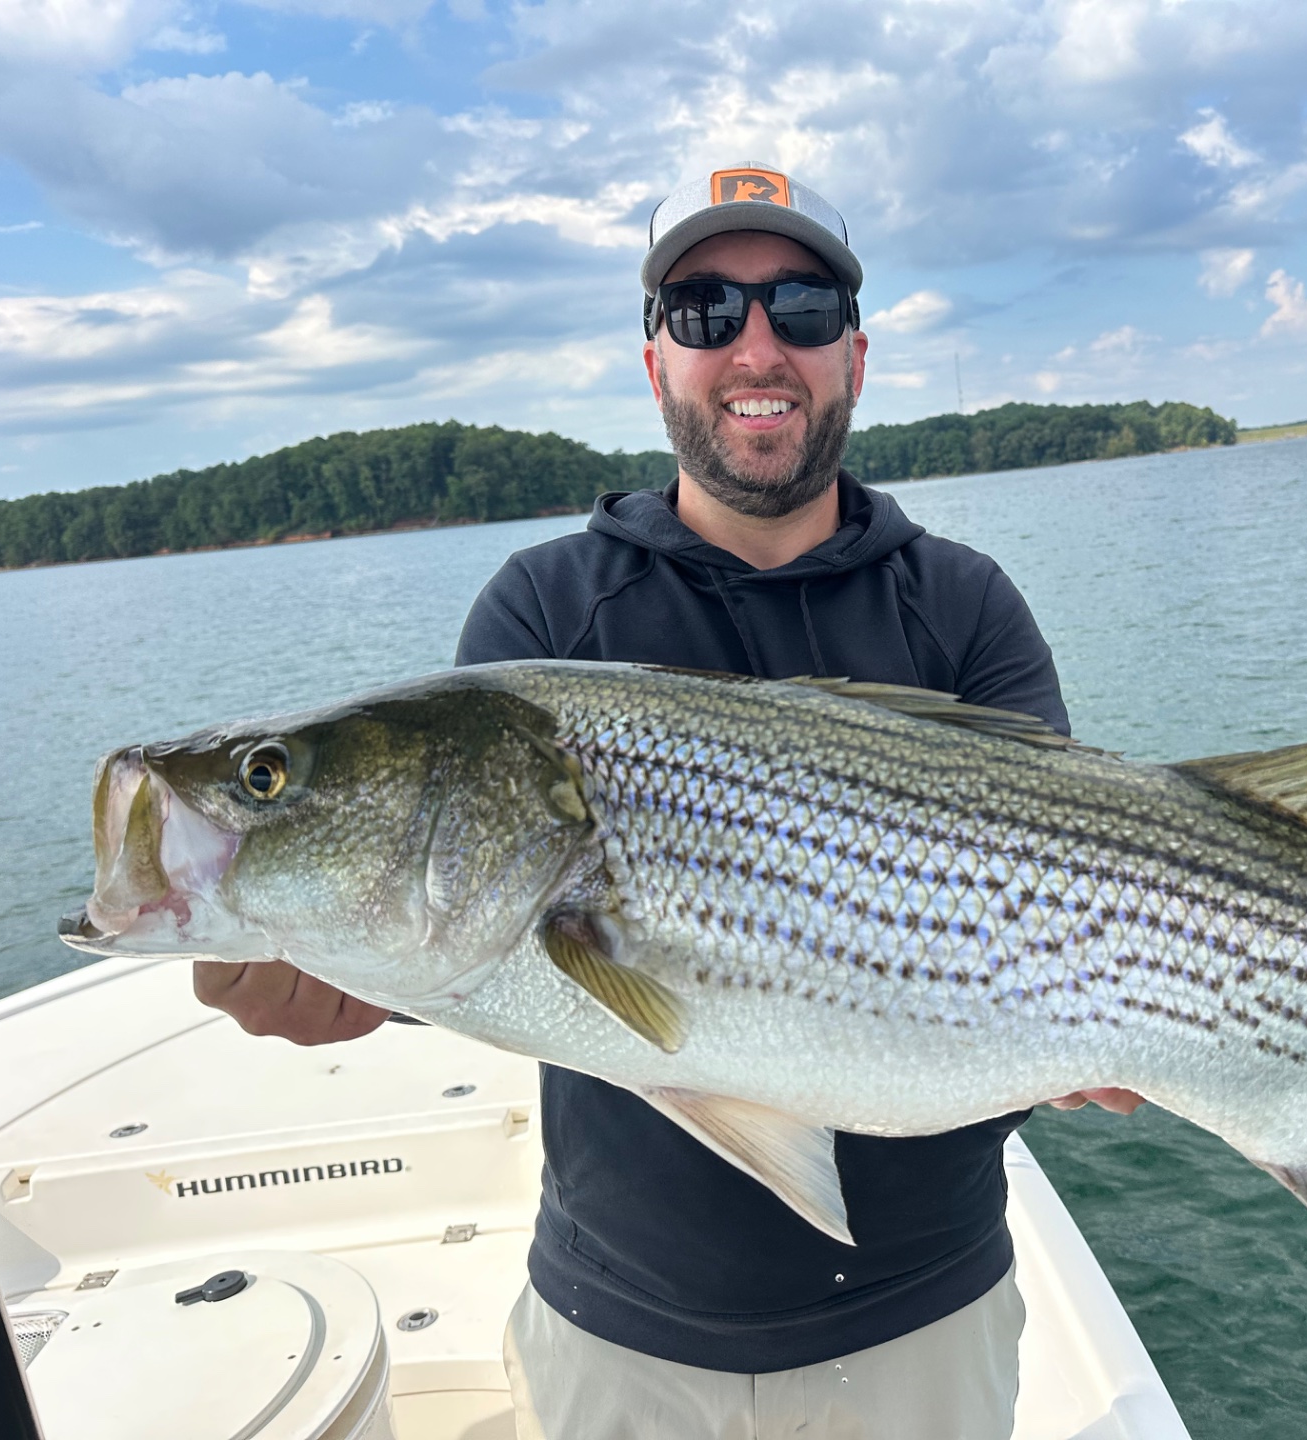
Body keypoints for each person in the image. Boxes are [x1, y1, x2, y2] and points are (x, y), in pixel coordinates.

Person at [195, 163, 1139, 1439]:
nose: (757, 345)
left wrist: (1102, 1035)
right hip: (621, 1328)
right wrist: (342, 982)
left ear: (853, 356)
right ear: (656, 364)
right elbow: (467, 927)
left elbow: (1076, 913)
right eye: (703, 310)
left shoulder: (964, 606)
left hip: (926, 1317)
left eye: (801, 308)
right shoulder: (541, 622)